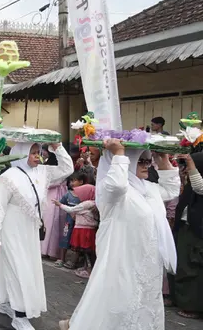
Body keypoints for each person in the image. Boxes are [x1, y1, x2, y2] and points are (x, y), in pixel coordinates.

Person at [59, 139, 180, 330]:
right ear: (128, 162)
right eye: (141, 161)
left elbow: (172, 190)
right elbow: (117, 186)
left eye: (149, 161)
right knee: (119, 307)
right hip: (123, 262)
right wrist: (119, 155)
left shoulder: (148, 188)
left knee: (144, 307)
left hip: (148, 264)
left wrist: (163, 161)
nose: (147, 165)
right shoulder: (112, 193)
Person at [0, 142, 73, 330]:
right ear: (21, 154)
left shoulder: (43, 172)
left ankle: (5, 303)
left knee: (25, 267)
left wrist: (57, 147)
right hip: (11, 228)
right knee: (17, 267)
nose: (37, 156)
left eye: (39, 152)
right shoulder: (7, 177)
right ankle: (19, 315)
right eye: (33, 153)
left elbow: (67, 168)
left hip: (31, 229)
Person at [171, 152, 203, 319]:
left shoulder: (197, 185)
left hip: (196, 230)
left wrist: (191, 162)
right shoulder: (189, 186)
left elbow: (200, 187)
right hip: (185, 226)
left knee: (192, 267)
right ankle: (181, 300)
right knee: (182, 264)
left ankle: (192, 306)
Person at [53, 184, 98, 279]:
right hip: (88, 230)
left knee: (87, 252)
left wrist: (60, 204)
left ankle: (89, 270)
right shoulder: (94, 204)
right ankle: (87, 268)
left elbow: (72, 209)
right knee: (88, 252)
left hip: (83, 230)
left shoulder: (87, 204)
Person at [41, 145, 67, 261]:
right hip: (59, 195)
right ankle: (51, 250)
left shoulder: (49, 168)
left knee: (48, 222)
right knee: (55, 224)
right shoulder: (59, 167)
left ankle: (44, 249)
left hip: (51, 195)